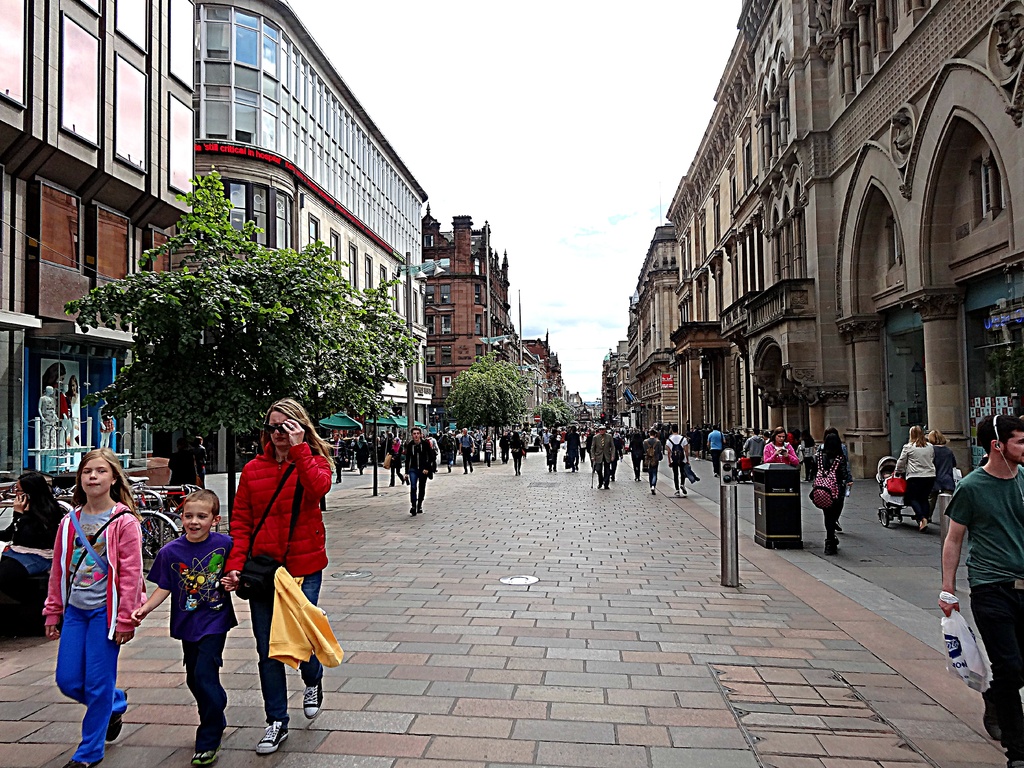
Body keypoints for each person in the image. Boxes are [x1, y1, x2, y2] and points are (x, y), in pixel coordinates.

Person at [221, 398, 332, 756]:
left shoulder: (313, 461)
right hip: (264, 571)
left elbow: (319, 489)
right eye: (273, 427)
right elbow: (240, 521)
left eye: (286, 426)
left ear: (299, 427)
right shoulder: (253, 469)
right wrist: (235, 563)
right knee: (268, 647)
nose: (279, 433)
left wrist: (300, 449)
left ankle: (312, 678)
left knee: (300, 638)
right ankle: (276, 721)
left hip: (303, 566)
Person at [43, 448, 144, 768]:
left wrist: (126, 618)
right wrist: (53, 610)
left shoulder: (124, 522)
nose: (93, 477)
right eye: (87, 472)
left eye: (101, 471)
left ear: (114, 477)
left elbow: (131, 573)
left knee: (98, 683)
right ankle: (114, 702)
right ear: (80, 479)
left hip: (106, 613)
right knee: (69, 680)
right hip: (75, 611)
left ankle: (88, 752)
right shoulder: (69, 521)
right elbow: (58, 569)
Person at [940, 414, 1024, 764]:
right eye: (1019, 441)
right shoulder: (972, 487)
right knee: (1010, 666)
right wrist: (948, 590)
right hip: (991, 586)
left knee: (1016, 670)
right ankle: (1018, 752)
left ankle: (994, 696)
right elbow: (954, 539)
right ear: (997, 445)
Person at [131, 490, 235, 767]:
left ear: (215, 519)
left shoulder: (226, 545)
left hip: (215, 621)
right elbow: (163, 586)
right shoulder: (170, 552)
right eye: (189, 516)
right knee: (194, 678)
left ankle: (209, 737)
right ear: (181, 517)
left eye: (202, 516)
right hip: (186, 623)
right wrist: (145, 608)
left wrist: (234, 579)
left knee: (204, 674)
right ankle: (216, 710)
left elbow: (237, 570)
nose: (194, 522)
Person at [0, 472, 62, 603]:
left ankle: (35, 604)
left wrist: (19, 515)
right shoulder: (26, 509)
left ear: (28, 493)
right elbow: (10, 533)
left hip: (40, 556)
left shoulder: (48, 511)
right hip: (19, 552)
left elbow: (23, 537)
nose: (15, 493)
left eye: (18, 490)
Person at [815, 432, 851, 556]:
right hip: (836, 490)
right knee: (834, 512)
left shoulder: (819, 456)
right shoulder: (840, 458)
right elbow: (844, 474)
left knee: (827, 514)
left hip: (822, 489)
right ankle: (830, 539)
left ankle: (829, 541)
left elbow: (815, 471)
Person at [895, 425, 936, 531]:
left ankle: (922, 518)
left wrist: (898, 471)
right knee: (924, 498)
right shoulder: (930, 446)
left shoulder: (908, 447)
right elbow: (932, 458)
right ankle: (925, 517)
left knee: (912, 498)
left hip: (915, 476)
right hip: (930, 476)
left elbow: (901, 461)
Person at [404, 427, 437, 516]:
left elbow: (431, 457)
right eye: (414, 434)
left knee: (422, 487)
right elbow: (407, 459)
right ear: (412, 435)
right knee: (413, 487)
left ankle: (420, 505)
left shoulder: (425, 444)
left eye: (418, 433)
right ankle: (413, 506)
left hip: (423, 469)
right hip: (413, 469)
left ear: (421, 434)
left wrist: (427, 468)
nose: (416, 435)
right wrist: (406, 472)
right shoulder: (410, 445)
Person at [928, 429, 958, 515]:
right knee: (948, 500)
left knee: (931, 499)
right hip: (947, 478)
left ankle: (927, 517)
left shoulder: (931, 450)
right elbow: (954, 464)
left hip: (934, 478)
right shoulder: (948, 451)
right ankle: (948, 516)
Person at [666, 425, 689, 497]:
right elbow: (686, 450)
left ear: (672, 430)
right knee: (683, 472)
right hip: (682, 458)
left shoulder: (669, 440)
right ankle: (682, 484)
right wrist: (687, 460)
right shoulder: (683, 439)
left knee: (675, 474)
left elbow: (669, 452)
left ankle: (677, 490)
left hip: (674, 459)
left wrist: (669, 461)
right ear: (678, 430)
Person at [591, 425, 615, 490]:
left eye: (602, 429)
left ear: (605, 430)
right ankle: (600, 481)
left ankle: (606, 483)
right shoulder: (595, 437)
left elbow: (612, 447)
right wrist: (593, 456)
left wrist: (612, 455)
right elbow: (592, 448)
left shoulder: (609, 437)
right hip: (598, 456)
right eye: (600, 430)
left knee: (607, 470)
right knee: (598, 469)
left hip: (607, 455)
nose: (601, 431)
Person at [643, 428, 664, 495]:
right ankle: (653, 485)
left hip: (648, 459)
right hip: (655, 459)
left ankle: (651, 485)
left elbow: (644, 450)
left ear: (649, 434)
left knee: (650, 473)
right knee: (655, 473)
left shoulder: (645, 442)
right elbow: (660, 450)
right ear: (655, 434)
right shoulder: (658, 442)